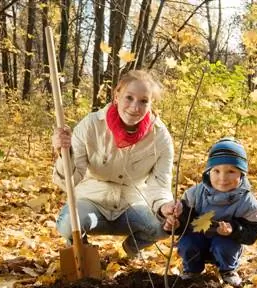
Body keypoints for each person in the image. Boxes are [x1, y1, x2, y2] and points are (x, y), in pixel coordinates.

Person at [52, 70, 179, 258]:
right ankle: (82, 252)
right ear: (117, 95)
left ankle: (132, 248)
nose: (135, 107)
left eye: (144, 101)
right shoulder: (91, 125)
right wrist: (64, 153)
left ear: (151, 103)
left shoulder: (160, 137)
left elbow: (159, 184)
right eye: (129, 98)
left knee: (163, 227)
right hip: (91, 201)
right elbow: (69, 182)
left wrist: (163, 207)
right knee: (68, 224)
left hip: (131, 205)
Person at [161, 137, 257, 286]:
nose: (222, 178)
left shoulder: (248, 203)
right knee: (187, 243)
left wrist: (234, 230)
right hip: (198, 238)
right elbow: (184, 222)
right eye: (216, 171)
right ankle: (191, 270)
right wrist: (175, 225)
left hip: (225, 242)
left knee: (224, 246)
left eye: (231, 171)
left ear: (241, 174)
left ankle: (227, 270)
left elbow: (253, 232)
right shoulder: (194, 194)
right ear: (209, 171)